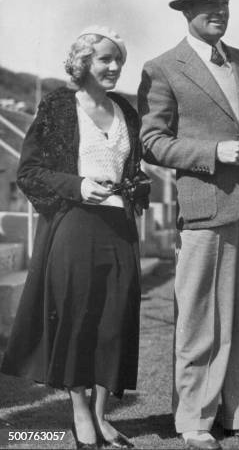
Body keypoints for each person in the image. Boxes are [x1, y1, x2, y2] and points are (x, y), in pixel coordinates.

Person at [137, 0, 239, 449]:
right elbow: (152, 142)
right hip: (203, 210)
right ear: (187, 12)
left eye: (224, 3)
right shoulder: (163, 68)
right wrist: (212, 153)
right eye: (207, 5)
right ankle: (195, 421)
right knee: (200, 319)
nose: (218, 12)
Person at [0, 26, 149, 449]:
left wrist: (137, 187)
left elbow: (133, 171)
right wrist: (80, 185)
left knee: (114, 321)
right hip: (74, 228)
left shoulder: (126, 111)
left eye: (118, 59)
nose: (114, 67)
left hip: (120, 229)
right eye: (105, 59)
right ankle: (81, 416)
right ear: (82, 62)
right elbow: (29, 172)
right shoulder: (59, 107)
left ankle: (103, 417)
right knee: (78, 320)